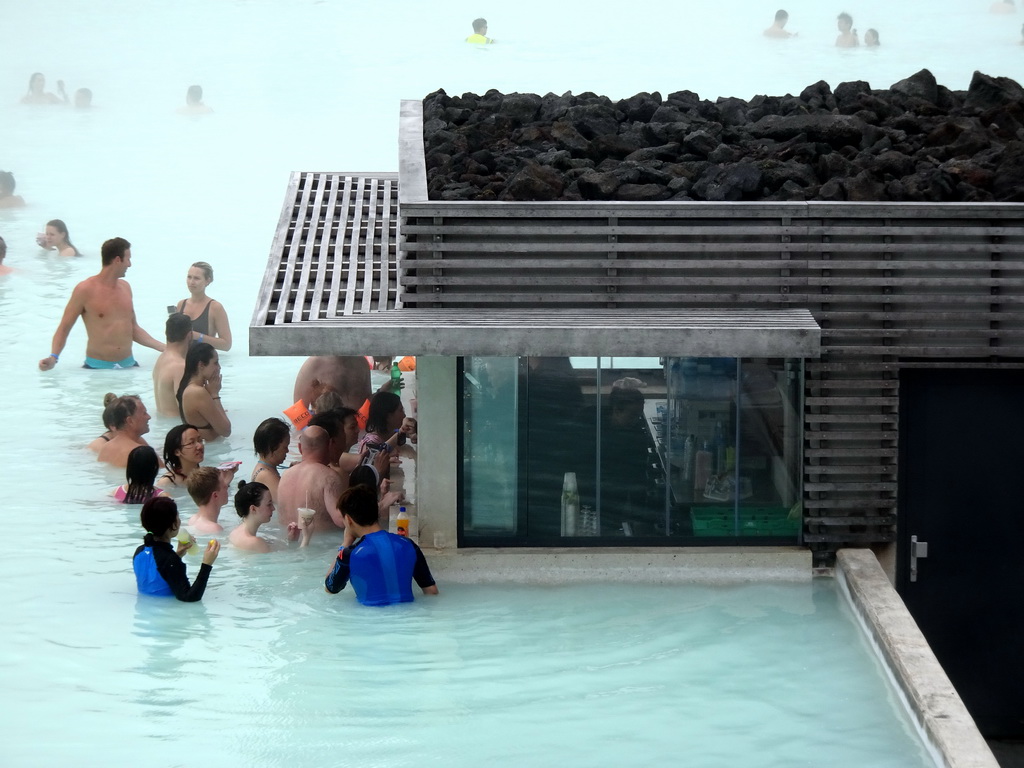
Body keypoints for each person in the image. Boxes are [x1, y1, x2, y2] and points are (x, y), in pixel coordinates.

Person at [38, 237, 165, 371]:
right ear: (117, 260)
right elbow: (64, 327)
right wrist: (54, 357)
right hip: (96, 369)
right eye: (128, 259)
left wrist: (163, 348)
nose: (129, 264)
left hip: (129, 365)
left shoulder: (126, 288)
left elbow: (133, 328)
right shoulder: (85, 290)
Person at [324, 485, 438, 606]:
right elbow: (431, 591)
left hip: (370, 620)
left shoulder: (350, 554)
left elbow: (330, 588)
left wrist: (345, 543)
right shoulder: (409, 545)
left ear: (348, 519)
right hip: (407, 619)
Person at [133, 496, 219, 601]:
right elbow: (189, 597)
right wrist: (207, 564)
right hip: (167, 613)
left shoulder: (139, 551)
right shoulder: (170, 560)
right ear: (173, 524)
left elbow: (156, 576)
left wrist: (177, 556)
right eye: (178, 516)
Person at [277, 426, 344, 533]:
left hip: (288, 542)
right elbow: (341, 520)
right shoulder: (329, 477)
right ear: (330, 445)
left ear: (299, 447)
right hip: (323, 547)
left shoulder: (285, 475)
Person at [230, 480, 312, 552]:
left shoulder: (234, 533)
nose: (273, 508)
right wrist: (306, 537)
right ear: (253, 509)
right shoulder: (255, 542)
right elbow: (295, 564)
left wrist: (291, 541)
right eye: (269, 504)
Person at [176, 342, 231, 441]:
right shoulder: (197, 392)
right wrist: (215, 394)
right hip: (209, 451)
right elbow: (226, 431)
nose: (219, 367)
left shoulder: (189, 387)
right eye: (215, 363)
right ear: (201, 365)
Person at [173, 261, 232, 351]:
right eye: (189, 277)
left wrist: (198, 337)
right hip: (182, 358)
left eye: (196, 278)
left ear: (207, 281)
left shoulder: (215, 307)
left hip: (203, 359)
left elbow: (226, 345)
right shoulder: (181, 304)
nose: (191, 282)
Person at [97, 395, 154, 468]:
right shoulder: (140, 452)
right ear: (130, 421)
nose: (149, 417)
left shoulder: (105, 449)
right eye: (144, 413)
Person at [359, 391, 406, 478]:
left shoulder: (389, 433)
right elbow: (370, 462)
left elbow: (400, 437)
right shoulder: (370, 442)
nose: (404, 415)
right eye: (400, 410)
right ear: (388, 416)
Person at [153, 313, 192, 417]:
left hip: (165, 425)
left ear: (166, 333)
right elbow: (187, 410)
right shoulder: (180, 366)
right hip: (177, 428)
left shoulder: (161, 359)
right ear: (189, 335)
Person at [251, 417, 291, 502]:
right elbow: (289, 505)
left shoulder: (264, 468)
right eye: (285, 447)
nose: (287, 451)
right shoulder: (267, 476)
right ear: (272, 447)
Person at [185, 466, 231, 533]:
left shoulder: (192, 519)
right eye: (225, 486)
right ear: (215, 495)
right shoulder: (214, 529)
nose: (227, 487)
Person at [158, 424, 205, 489]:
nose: (200, 446)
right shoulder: (167, 483)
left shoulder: (208, 475)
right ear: (177, 452)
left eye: (200, 440)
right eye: (191, 443)